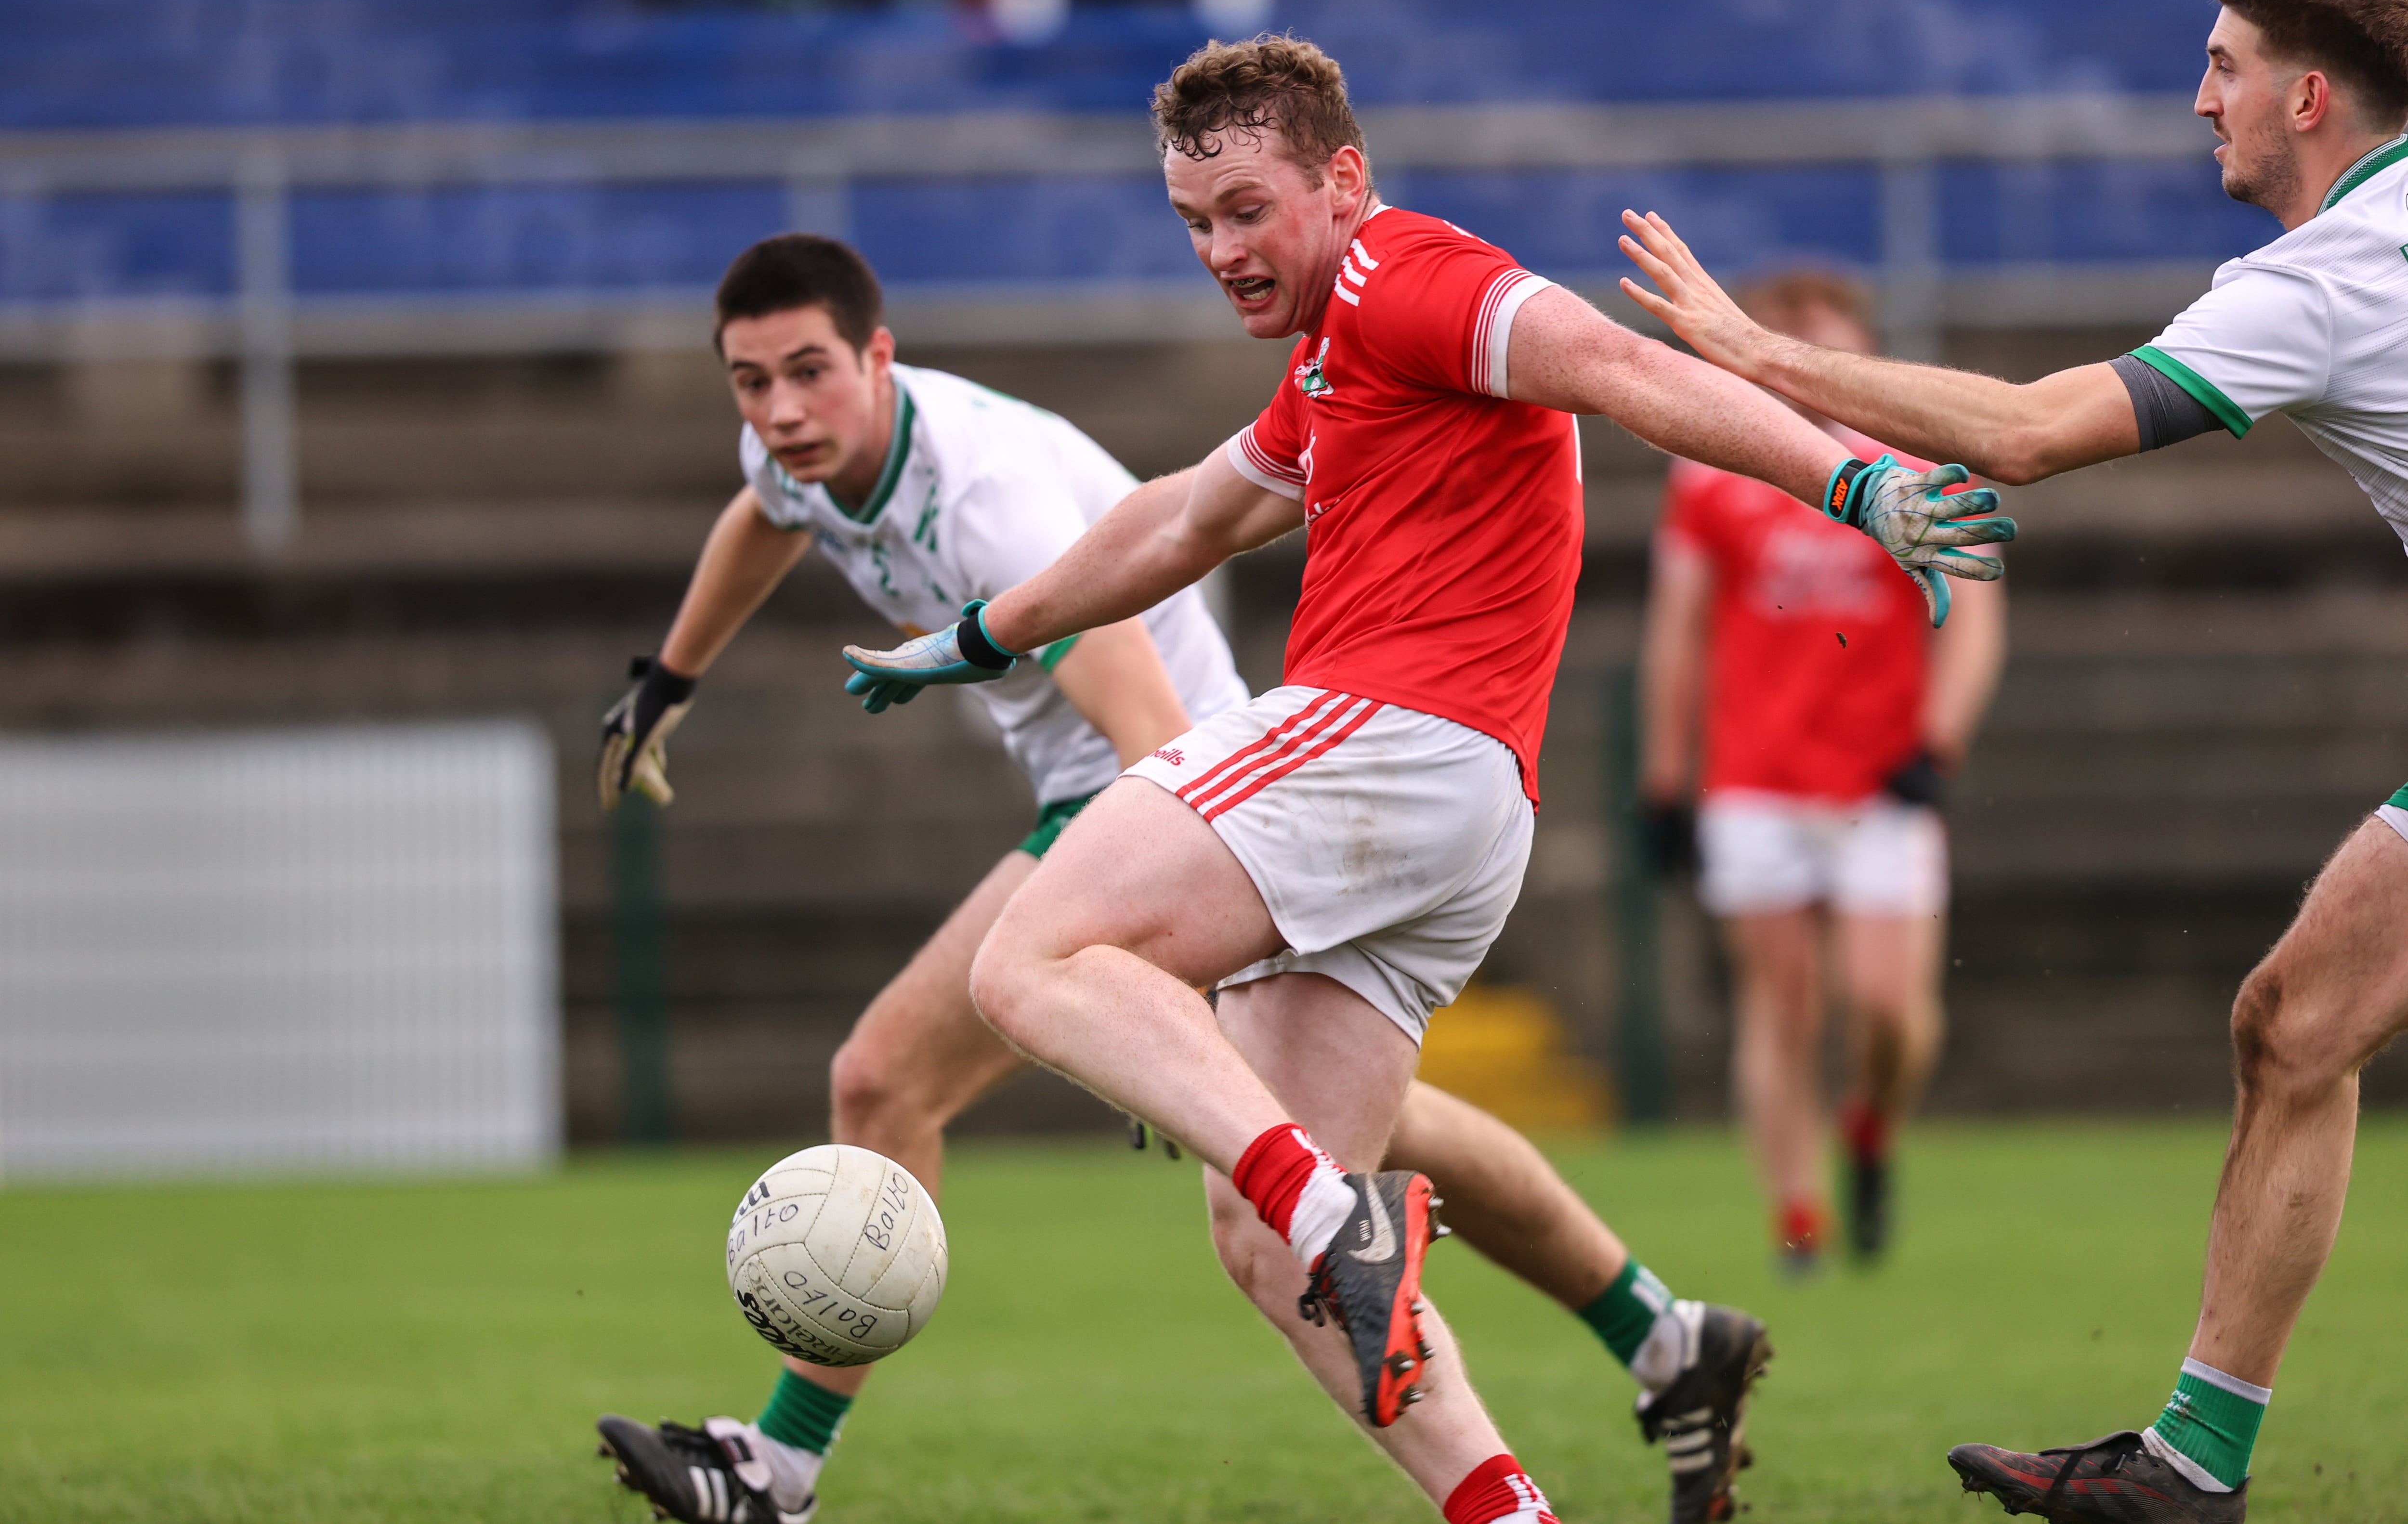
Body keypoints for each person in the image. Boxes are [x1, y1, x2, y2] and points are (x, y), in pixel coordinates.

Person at [841, 36, 2012, 1524]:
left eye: (1248, 209)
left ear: (1344, 179)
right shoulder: (1337, 348)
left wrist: (1858, 481)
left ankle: (1349, 1216)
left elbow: (1627, 369)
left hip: (1385, 740)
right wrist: (976, 633)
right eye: (1194, 221)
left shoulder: (1413, 276)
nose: (1220, 250)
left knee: (1034, 958)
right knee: (1259, 1236)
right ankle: (1508, 1500)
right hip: (1457, 811)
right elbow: (1187, 518)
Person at [588, 233, 1830, 1524]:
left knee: (886, 1073)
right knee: (1368, 1128)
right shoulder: (794, 451)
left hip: (1180, 774)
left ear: (879, 357)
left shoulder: (985, 499)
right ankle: (1667, 1335)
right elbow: (764, 515)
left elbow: (1143, 716)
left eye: (808, 375)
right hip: (1230, 785)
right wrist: (670, 676)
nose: (783, 412)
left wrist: (1144, 985)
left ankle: (775, 1467)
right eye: (751, 384)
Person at [1616, 0, 2408, 1522]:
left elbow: (2034, 433)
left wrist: (1765, 358)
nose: (2202, 99)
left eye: (2228, 69)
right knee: (2297, 1025)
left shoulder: (2333, 276)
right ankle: (2190, 1468)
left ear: (2310, 95)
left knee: (2296, 1027)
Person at [1640, 270, 2007, 1274]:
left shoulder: (1913, 464)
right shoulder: (1713, 474)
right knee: (1783, 1003)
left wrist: (1937, 743)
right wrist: (1664, 777)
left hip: (1880, 780)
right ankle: (1795, 1217)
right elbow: (1675, 638)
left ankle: (1871, 1131)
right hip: (1754, 781)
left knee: (1886, 1006)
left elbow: (1973, 616)